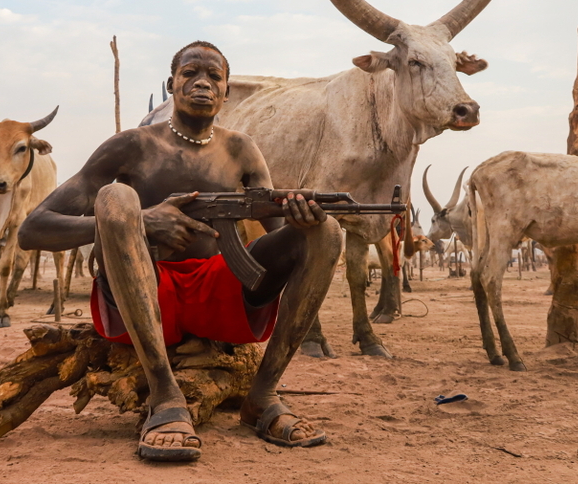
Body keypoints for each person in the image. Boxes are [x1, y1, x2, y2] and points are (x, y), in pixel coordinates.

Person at [19, 41, 343, 462]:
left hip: (219, 296)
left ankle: (262, 396)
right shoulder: (130, 146)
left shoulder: (241, 150)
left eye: (215, 77)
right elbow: (32, 230)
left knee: (327, 231)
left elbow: (281, 235)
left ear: (226, 93)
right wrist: (139, 220)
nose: (203, 82)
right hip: (143, 293)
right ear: (171, 83)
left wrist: (303, 220)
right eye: (191, 73)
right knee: (116, 198)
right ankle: (165, 397)